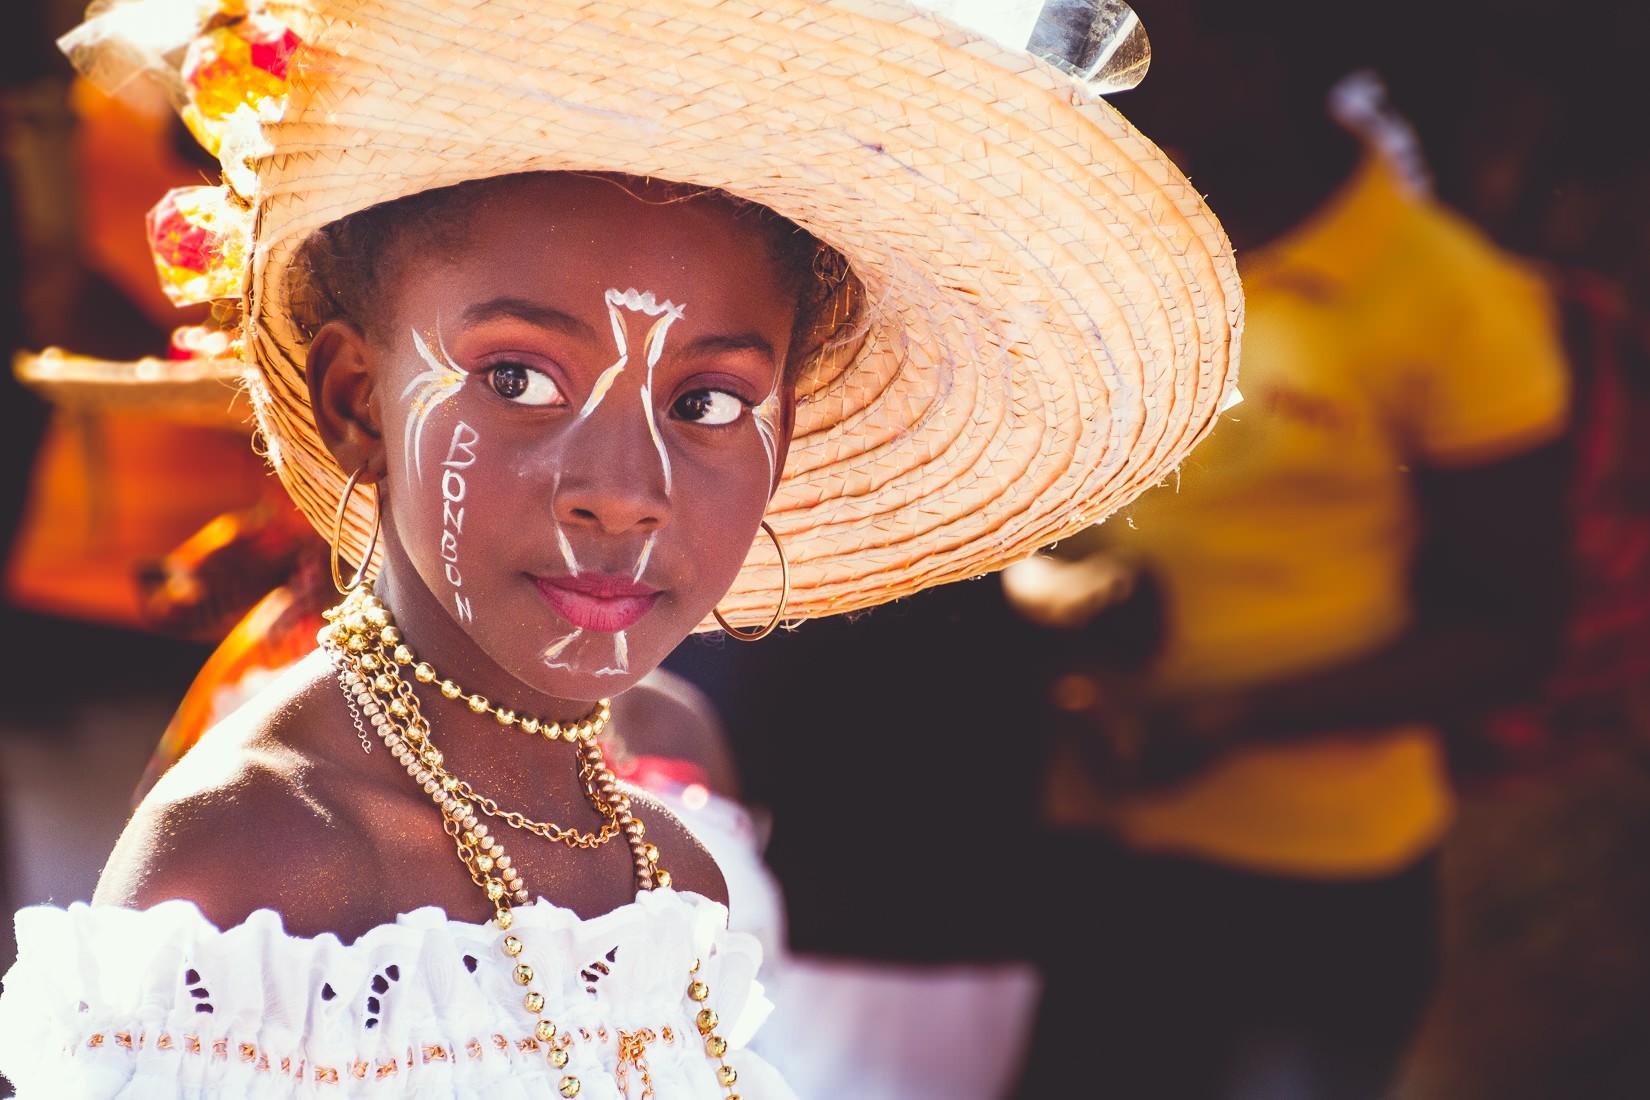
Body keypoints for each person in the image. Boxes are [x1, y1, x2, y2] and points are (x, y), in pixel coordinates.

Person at [0, 0, 1241, 1095]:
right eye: (519, 376)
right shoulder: (258, 861)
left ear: (787, 428)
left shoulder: (672, 881)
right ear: (356, 401)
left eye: (706, 402)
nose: (625, 491)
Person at [1006, 3, 1572, 1095]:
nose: (1100, 80)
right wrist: (1048, 584)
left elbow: (1511, 631)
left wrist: (1233, 716)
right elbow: (1024, 510)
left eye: (1138, 47)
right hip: (1079, 851)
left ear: (1257, 60)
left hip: (1315, 892)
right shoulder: (1116, 257)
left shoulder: (1455, 303)